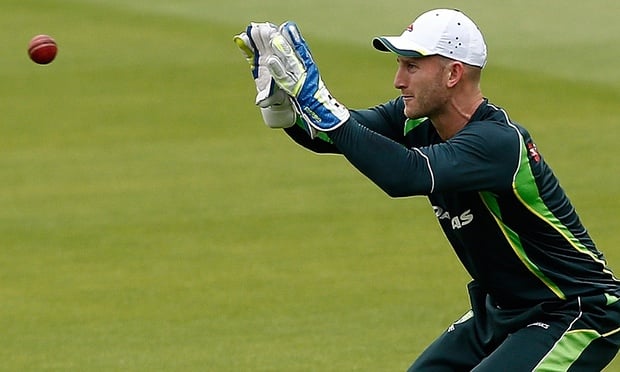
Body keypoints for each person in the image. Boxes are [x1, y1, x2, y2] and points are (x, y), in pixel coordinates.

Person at [235, 9, 620, 371]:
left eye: (412, 66)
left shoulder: (497, 143)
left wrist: (320, 104)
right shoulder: (413, 120)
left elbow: (406, 175)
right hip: (501, 309)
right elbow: (342, 135)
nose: (398, 80)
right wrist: (285, 110)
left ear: (453, 74)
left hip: (576, 311)